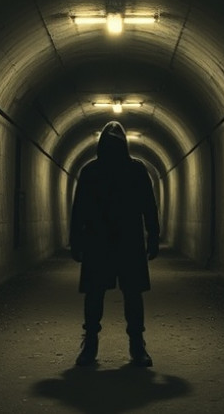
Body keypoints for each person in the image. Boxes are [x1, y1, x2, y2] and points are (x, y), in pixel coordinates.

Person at [69, 120, 160, 367]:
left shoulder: (97, 171)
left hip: (111, 240)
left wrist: (153, 235)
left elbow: (149, 207)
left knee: (118, 294)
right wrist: (152, 236)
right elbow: (79, 210)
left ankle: (116, 345)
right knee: (114, 294)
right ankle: (118, 346)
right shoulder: (130, 170)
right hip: (110, 240)